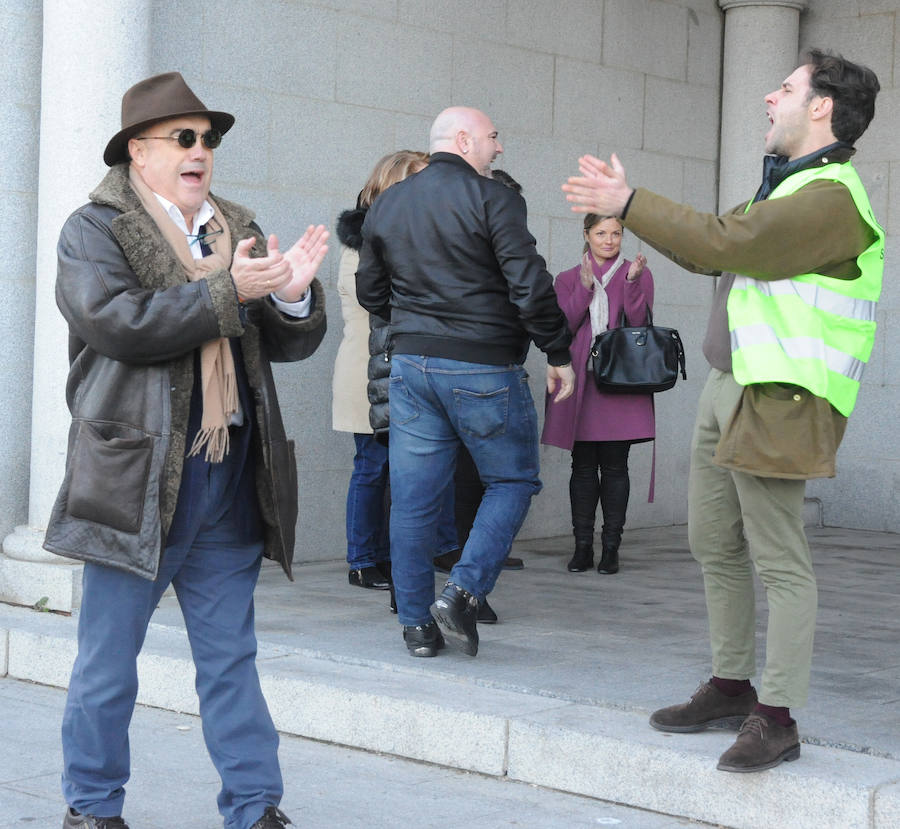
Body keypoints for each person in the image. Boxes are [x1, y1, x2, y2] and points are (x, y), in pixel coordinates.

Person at [563, 49, 882, 773]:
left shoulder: (829, 198)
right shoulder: (787, 185)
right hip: (728, 384)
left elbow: (725, 242)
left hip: (781, 396)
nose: (770, 97)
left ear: (823, 106)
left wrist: (630, 202)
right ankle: (733, 684)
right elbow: (713, 250)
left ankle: (777, 715)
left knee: (782, 561)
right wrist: (637, 208)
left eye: (787, 88)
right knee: (714, 542)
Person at [43, 72, 329, 829]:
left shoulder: (239, 225)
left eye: (209, 139)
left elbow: (283, 343)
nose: (202, 150)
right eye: (185, 137)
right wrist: (228, 293)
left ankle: (255, 806)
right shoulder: (94, 229)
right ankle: (92, 808)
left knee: (231, 659)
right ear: (140, 151)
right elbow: (117, 322)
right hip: (135, 476)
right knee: (108, 665)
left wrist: (293, 295)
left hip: (230, 476)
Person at [356, 106, 575, 659]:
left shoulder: (388, 202)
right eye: (493, 138)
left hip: (411, 367)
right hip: (482, 367)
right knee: (513, 480)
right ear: (463, 139)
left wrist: (412, 325)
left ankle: (415, 628)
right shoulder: (493, 198)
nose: (498, 149)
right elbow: (530, 284)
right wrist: (558, 349)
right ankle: (462, 592)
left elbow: (370, 291)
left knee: (411, 502)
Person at [332, 150, 429, 592]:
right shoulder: (364, 244)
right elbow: (376, 306)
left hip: (400, 370)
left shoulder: (408, 237)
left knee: (399, 470)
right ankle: (362, 559)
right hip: (367, 370)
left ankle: (389, 557)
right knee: (372, 466)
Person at [541, 214, 655, 575]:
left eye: (616, 234)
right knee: (584, 466)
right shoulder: (567, 278)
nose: (609, 240)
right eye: (601, 233)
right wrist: (586, 289)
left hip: (620, 383)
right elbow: (563, 328)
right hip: (581, 382)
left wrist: (633, 285)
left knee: (617, 467)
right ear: (586, 235)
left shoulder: (636, 273)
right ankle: (582, 547)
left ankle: (611, 548)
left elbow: (640, 328)